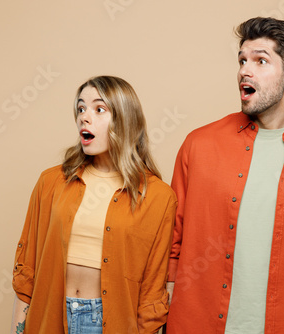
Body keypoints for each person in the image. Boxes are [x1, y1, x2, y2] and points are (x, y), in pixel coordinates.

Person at [166, 17, 284, 334]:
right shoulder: (199, 144)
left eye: (260, 61)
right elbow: (173, 241)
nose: (244, 70)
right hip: (197, 321)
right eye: (242, 60)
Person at [9, 76, 177, 333]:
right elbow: (27, 271)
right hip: (51, 315)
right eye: (81, 108)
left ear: (125, 121)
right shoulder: (51, 182)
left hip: (109, 322)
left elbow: (153, 291)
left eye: (99, 109)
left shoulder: (157, 197)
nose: (84, 117)